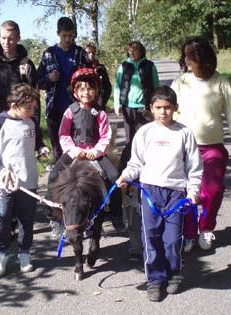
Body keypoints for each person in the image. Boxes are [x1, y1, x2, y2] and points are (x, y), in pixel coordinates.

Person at [116, 85, 202, 302]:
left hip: (175, 194)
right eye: (159, 107)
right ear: (151, 109)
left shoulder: (184, 133)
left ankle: (174, 274)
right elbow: (135, 162)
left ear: (175, 108)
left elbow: (194, 166)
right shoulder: (145, 132)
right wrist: (126, 176)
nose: (163, 112)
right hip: (149, 192)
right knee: (151, 238)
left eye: (168, 107)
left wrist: (193, 191)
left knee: (172, 240)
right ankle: (155, 280)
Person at [171, 37, 231, 253]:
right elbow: (168, 113)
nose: (186, 60)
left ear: (202, 58)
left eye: (190, 56)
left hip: (213, 147)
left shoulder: (220, 82)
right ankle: (188, 234)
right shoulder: (180, 83)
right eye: (185, 56)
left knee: (212, 191)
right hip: (185, 148)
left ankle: (205, 227)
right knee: (187, 193)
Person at [47, 68, 123, 238]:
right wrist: (74, 151)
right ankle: (54, 216)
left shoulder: (100, 113)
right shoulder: (70, 112)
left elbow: (105, 135)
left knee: (115, 178)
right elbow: (64, 134)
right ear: (75, 91)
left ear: (96, 91)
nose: (86, 92)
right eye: (82, 89)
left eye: (90, 88)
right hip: (74, 152)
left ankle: (116, 214)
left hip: (94, 152)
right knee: (53, 177)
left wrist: (96, 151)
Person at [0, 84, 45, 277]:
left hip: (29, 181)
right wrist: (1, 171)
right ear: (14, 104)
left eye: (34, 107)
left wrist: (41, 148)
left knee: (27, 221)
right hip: (5, 184)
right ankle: (1, 255)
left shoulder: (32, 122)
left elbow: (38, 141)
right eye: (29, 107)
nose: (32, 111)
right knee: (3, 219)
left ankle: (24, 253)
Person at [0, 20, 44, 150]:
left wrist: (35, 131)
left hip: (21, 124)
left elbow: (35, 101)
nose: (6, 42)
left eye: (11, 39)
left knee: (20, 163)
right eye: (3, 38)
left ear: (18, 38)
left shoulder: (26, 65)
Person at [38, 16, 90, 165]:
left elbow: (92, 81)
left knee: (78, 148)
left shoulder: (80, 53)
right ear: (58, 33)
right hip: (54, 109)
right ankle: (61, 183)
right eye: (64, 35)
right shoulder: (49, 53)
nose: (68, 39)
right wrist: (49, 78)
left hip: (78, 109)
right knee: (58, 150)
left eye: (70, 35)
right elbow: (38, 82)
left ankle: (77, 182)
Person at [113, 41, 159, 172]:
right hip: (128, 107)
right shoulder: (124, 66)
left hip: (144, 108)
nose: (133, 53)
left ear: (141, 51)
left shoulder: (149, 66)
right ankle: (128, 168)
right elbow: (117, 86)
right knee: (130, 140)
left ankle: (147, 166)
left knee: (145, 138)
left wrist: (155, 105)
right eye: (130, 51)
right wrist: (117, 103)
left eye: (136, 50)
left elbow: (156, 86)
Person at [84, 43, 112, 110]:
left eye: (93, 52)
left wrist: (102, 101)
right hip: (84, 103)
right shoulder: (82, 67)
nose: (91, 54)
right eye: (88, 52)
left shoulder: (101, 68)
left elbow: (108, 87)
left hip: (98, 103)